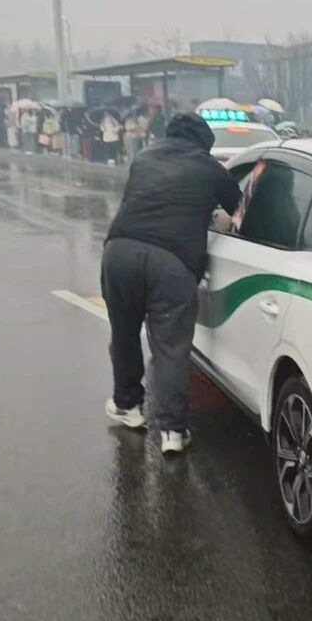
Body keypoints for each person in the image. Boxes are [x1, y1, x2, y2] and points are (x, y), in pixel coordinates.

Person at [101, 113, 242, 453]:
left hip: (120, 253)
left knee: (124, 334)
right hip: (172, 263)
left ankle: (128, 406)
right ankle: (173, 432)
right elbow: (238, 209)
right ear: (204, 143)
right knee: (170, 348)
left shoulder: (143, 157)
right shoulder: (209, 168)